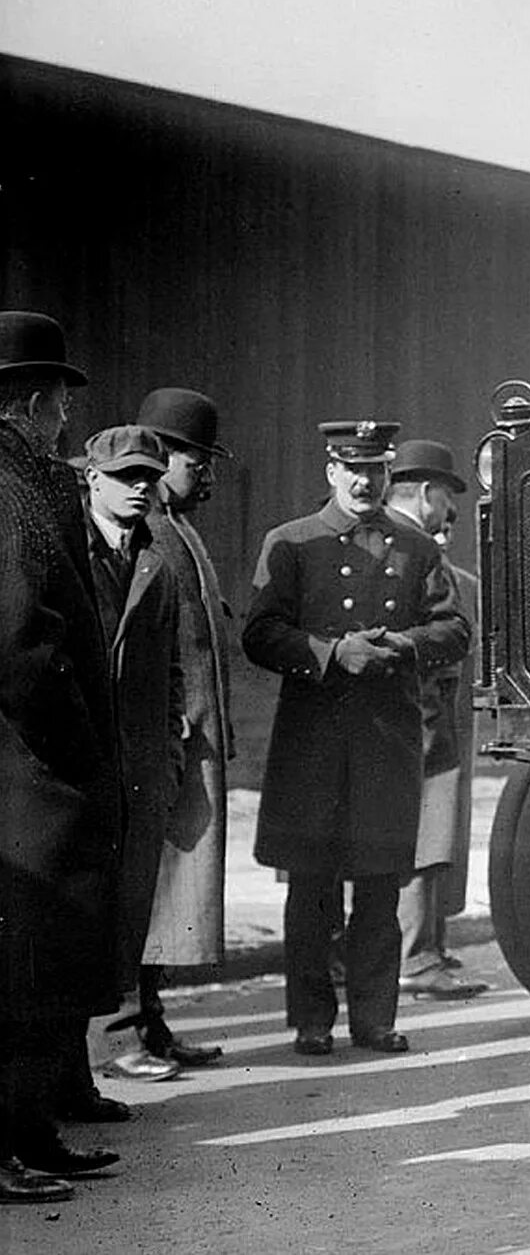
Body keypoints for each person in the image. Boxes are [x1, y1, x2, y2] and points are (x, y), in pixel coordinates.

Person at [242, 420, 470, 1057]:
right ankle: (312, 1021)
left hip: (384, 745)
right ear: (331, 473)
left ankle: (374, 1020)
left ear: (390, 475)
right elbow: (259, 634)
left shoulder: (417, 547)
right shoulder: (289, 544)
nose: (366, 482)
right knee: (312, 888)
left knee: (378, 887)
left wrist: (400, 644)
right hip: (311, 747)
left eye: (377, 470)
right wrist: (330, 652)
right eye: (353, 469)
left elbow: (454, 630)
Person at [0, 312, 125, 1202]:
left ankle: (32, 1131)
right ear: (36, 403)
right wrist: (78, 742)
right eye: (59, 407)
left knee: (38, 968)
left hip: (33, 774)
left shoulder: (22, 479)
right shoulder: (8, 489)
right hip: (26, 774)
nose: (65, 425)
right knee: (17, 972)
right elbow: (18, 644)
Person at [75, 427, 187, 1086]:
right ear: (93, 479)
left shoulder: (156, 563)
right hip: (81, 767)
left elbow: (171, 672)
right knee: (77, 915)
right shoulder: (69, 553)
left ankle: (106, 1050)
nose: (141, 487)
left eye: (149, 475)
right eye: (126, 476)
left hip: (140, 771)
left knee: (127, 911)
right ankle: (82, 1060)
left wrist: (167, 755)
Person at [130, 387, 235, 1065]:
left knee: (171, 895)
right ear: (163, 455)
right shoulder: (146, 528)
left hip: (192, 739)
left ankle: (153, 1022)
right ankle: (126, 1031)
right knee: (145, 888)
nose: (209, 478)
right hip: (165, 742)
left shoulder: (178, 525)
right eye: (198, 464)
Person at [384, 439, 489, 1001]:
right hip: (418, 711)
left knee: (430, 829)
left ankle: (425, 949)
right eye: (447, 498)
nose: (451, 512)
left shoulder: (408, 546)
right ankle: (417, 957)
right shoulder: (409, 549)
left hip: (425, 710)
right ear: (426, 493)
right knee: (421, 831)